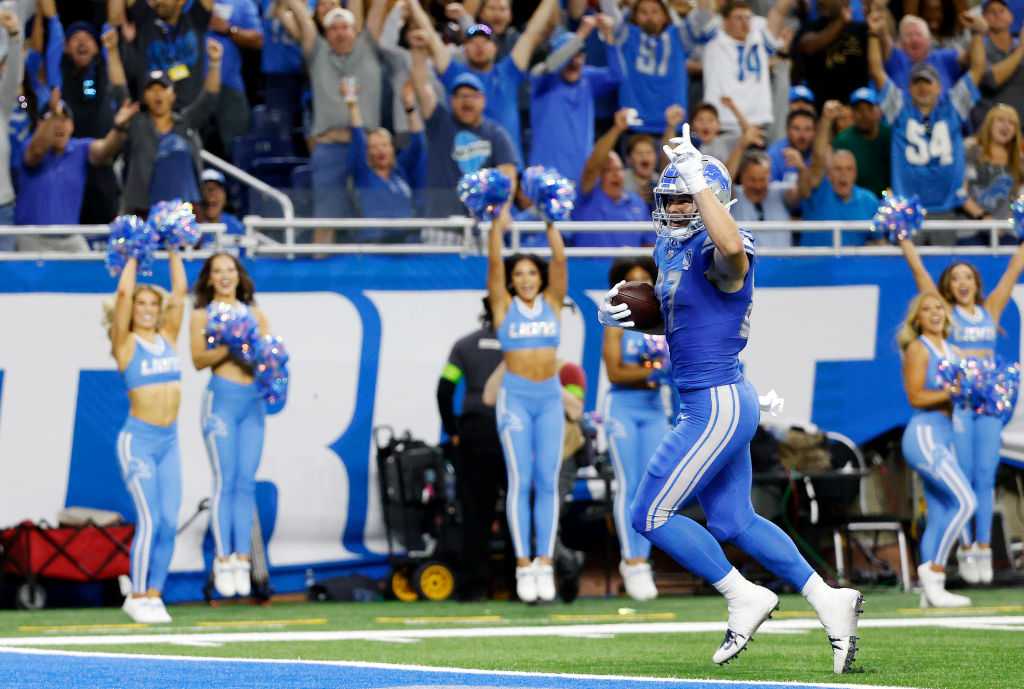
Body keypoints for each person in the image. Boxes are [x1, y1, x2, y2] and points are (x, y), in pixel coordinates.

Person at [598, 126, 863, 673]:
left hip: (716, 402)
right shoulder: (668, 246)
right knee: (733, 521)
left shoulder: (727, 247)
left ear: (709, 199)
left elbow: (731, 253)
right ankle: (827, 599)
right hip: (714, 397)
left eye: (684, 197)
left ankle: (743, 594)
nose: (673, 208)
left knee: (648, 513)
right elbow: (683, 319)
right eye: (667, 198)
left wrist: (700, 181)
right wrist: (631, 318)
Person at [898, 236, 1024, 585]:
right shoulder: (944, 313)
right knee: (963, 476)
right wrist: (906, 240)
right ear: (947, 287)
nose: (963, 283)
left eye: (968, 277)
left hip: (989, 404)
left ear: (977, 283)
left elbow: (1015, 268)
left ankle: (983, 547)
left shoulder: (990, 309)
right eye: (955, 278)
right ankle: (966, 550)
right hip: (959, 407)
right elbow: (920, 274)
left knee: (985, 476)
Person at [487, 198, 567, 604]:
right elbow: (494, 268)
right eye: (518, 274)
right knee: (520, 480)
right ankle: (522, 565)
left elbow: (560, 261)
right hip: (515, 398)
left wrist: (549, 221)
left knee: (547, 481)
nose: (525, 279)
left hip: (550, 398)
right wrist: (495, 229)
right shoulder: (504, 307)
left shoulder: (553, 303)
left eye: (531, 272)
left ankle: (545, 563)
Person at [103, 246, 188, 624]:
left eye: (155, 302)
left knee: (169, 521)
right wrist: (134, 252)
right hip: (137, 441)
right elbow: (122, 294)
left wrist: (173, 247)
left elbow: (181, 292)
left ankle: (154, 595)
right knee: (149, 519)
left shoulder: (169, 335)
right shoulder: (124, 344)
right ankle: (135, 594)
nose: (149, 309)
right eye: (142, 303)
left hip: (169, 442)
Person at [189, 254, 271, 598]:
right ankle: (223, 558)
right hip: (220, 402)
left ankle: (242, 559)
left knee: (245, 483)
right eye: (217, 270)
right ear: (209, 279)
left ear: (239, 276)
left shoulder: (255, 313)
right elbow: (198, 359)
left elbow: (269, 356)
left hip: (252, 405)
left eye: (230, 269)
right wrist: (231, 343)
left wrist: (268, 360)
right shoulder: (200, 315)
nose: (224, 276)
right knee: (224, 480)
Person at [897, 292, 977, 606]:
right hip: (925, 435)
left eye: (939, 308)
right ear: (917, 319)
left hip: (945, 436)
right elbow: (916, 397)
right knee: (965, 502)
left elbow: (962, 396)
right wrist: (953, 392)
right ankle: (935, 572)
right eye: (927, 309)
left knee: (943, 512)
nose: (935, 313)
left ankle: (931, 592)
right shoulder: (919, 348)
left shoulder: (954, 350)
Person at [601, 256, 669, 601]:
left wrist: (665, 371)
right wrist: (657, 373)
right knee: (627, 484)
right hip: (622, 408)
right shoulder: (616, 320)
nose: (640, 287)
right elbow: (615, 372)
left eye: (646, 280)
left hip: (655, 408)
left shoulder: (663, 320)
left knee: (652, 487)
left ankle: (644, 558)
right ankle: (633, 561)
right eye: (633, 281)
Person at [108, 31, 223, 216]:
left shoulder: (186, 122)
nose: (157, 94)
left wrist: (215, 62)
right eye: (151, 89)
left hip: (185, 208)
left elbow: (209, 98)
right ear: (145, 96)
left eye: (162, 88)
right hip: (144, 209)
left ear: (173, 95)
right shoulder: (137, 124)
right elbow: (119, 89)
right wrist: (112, 50)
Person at [436, 297, 506, 601]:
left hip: (475, 430)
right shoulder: (524, 346)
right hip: (512, 429)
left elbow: (444, 388)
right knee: (518, 509)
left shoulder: (465, 345)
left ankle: (474, 586)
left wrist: (452, 430)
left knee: (476, 512)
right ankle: (519, 583)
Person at [15, 90, 137, 251]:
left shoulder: (80, 148)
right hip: (32, 237)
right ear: (40, 125)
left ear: (72, 125)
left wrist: (119, 128)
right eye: (53, 120)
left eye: (65, 120)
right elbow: (36, 152)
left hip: (70, 237)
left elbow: (104, 151)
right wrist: (53, 114)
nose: (60, 125)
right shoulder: (28, 147)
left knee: (87, 269)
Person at [343, 76, 425, 242]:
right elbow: (359, 139)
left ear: (392, 149)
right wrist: (352, 103)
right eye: (374, 147)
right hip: (375, 244)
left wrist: (409, 106)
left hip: (408, 244)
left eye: (384, 145)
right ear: (368, 153)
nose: (380, 150)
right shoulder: (362, 174)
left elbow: (418, 142)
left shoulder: (400, 172)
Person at [959, 103, 1024, 242]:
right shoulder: (971, 150)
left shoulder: (1019, 160)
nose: (1006, 126)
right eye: (1000, 120)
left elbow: (1019, 196)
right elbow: (960, 193)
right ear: (989, 124)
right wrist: (983, 217)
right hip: (972, 229)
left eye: (1011, 123)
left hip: (1006, 229)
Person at [832, 86, 891, 197]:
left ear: (879, 111)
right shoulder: (843, 140)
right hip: (856, 202)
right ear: (852, 114)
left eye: (869, 109)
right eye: (859, 110)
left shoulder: (890, 135)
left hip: (889, 201)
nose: (864, 114)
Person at [0, 9, 23, 252]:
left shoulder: (2, 105)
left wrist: (15, 37)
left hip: (2, 209)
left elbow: (13, 78)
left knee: (5, 283)